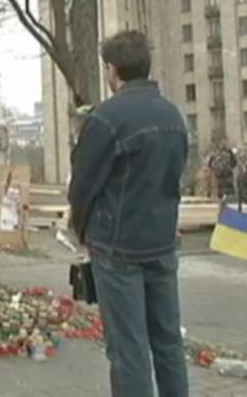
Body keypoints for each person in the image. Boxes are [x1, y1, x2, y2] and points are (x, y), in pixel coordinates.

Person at [69, 31, 189, 397]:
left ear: (113, 69)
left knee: (128, 349)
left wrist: (82, 230)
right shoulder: (172, 115)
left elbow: (83, 185)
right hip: (161, 242)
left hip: (118, 248)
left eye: (106, 67)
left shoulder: (106, 118)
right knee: (168, 343)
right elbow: (175, 176)